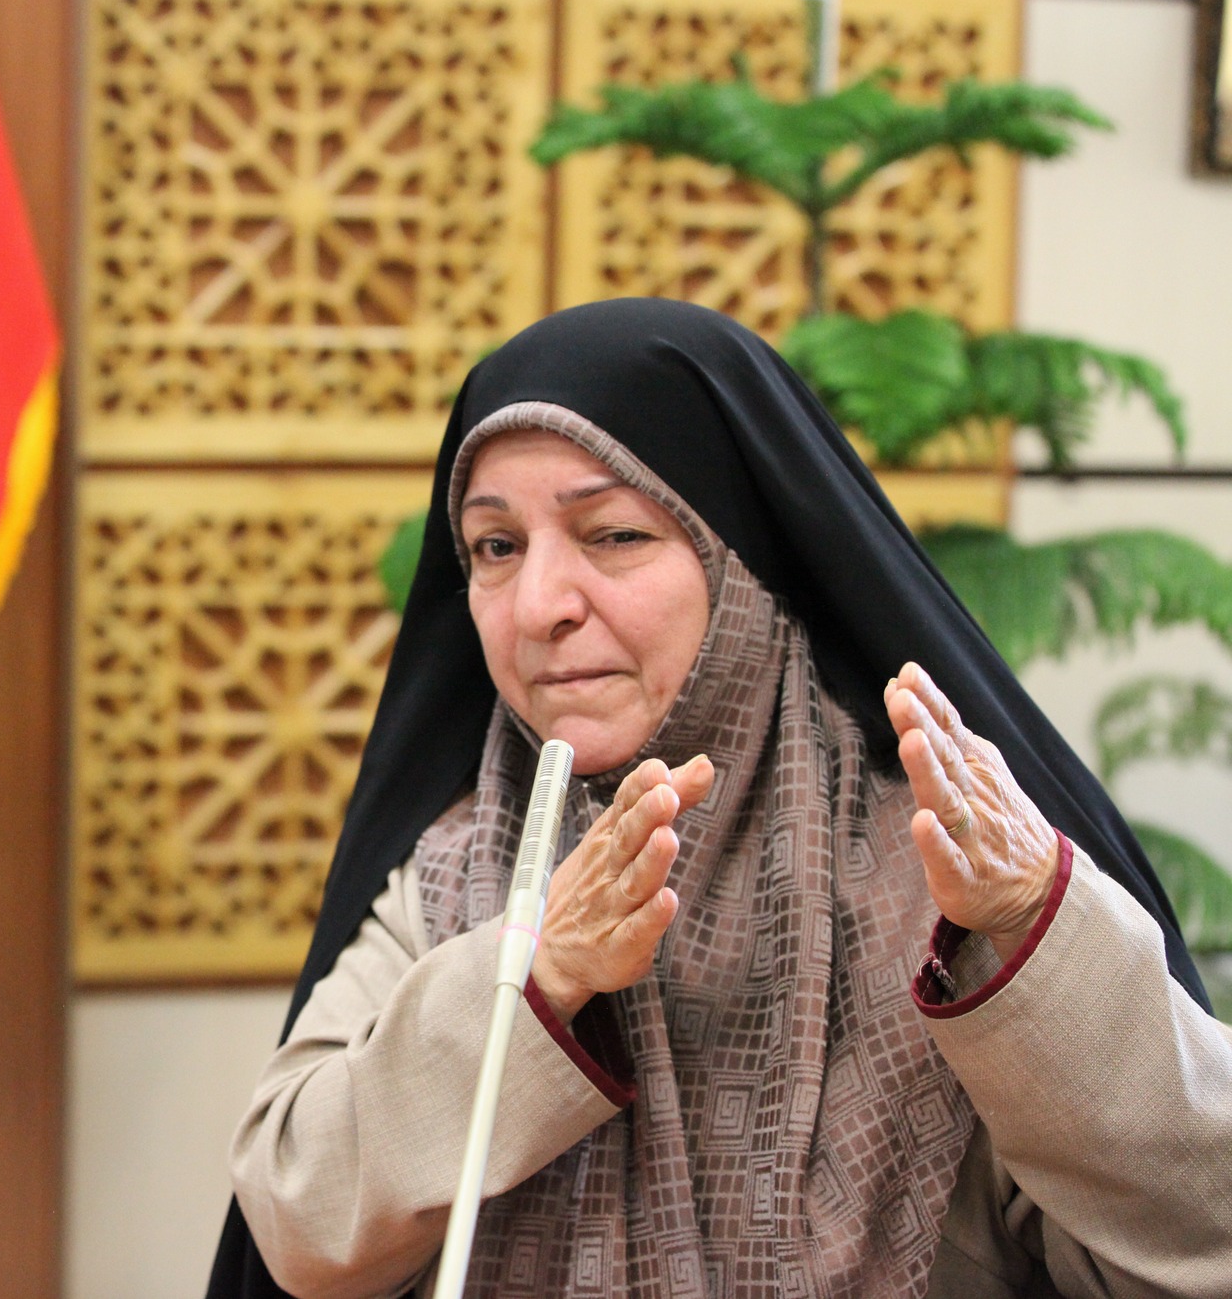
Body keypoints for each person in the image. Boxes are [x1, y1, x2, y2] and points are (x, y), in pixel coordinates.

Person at [204, 299, 1232, 1299]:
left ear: (742, 562)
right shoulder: (457, 865)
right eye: (495, 547)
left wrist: (1031, 927)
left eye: (612, 535)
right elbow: (297, 1226)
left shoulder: (944, 874)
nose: (537, 606)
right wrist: (537, 973)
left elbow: (1197, 1249)